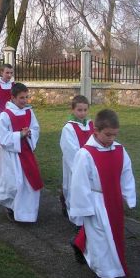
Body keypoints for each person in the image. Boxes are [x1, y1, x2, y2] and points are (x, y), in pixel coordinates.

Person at [69, 109, 136, 278]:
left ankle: (80, 244)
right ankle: (104, 274)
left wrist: (128, 195)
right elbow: (79, 182)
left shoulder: (120, 150)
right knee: (100, 239)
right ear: (96, 131)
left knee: (112, 234)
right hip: (96, 201)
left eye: (114, 135)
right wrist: (84, 208)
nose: (111, 139)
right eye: (107, 135)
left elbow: (126, 173)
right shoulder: (85, 154)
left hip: (113, 200)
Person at [0, 82, 43, 222]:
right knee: (15, 183)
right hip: (11, 155)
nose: (25, 101)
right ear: (13, 98)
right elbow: (0, 136)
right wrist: (18, 135)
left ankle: (26, 213)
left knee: (29, 183)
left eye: (26, 97)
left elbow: (35, 127)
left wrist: (29, 134)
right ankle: (11, 206)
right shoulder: (5, 115)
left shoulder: (29, 111)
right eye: (22, 98)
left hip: (26, 152)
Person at [59, 95, 93, 224]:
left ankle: (87, 216)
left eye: (85, 110)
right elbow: (70, 150)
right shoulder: (69, 128)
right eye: (79, 110)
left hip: (90, 165)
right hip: (76, 165)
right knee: (75, 188)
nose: (83, 113)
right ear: (72, 110)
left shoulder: (91, 125)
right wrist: (81, 165)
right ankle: (77, 220)